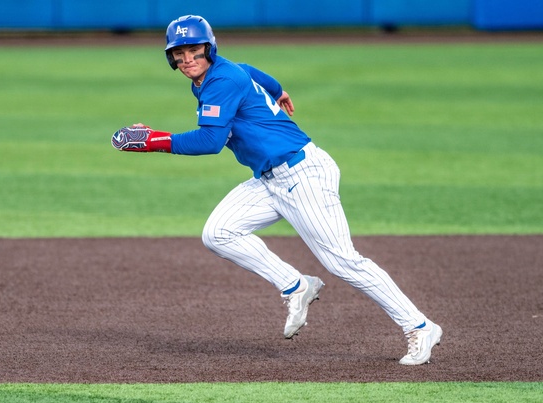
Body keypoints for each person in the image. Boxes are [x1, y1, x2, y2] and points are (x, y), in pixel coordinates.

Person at [111, 15, 442, 365]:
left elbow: (210, 141)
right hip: (270, 179)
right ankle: (296, 284)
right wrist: (277, 90)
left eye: (194, 49)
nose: (187, 58)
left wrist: (152, 141)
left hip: (302, 175)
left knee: (344, 262)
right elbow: (252, 71)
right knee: (219, 233)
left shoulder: (221, 80)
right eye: (180, 52)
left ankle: (419, 326)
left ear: (209, 49)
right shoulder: (219, 74)